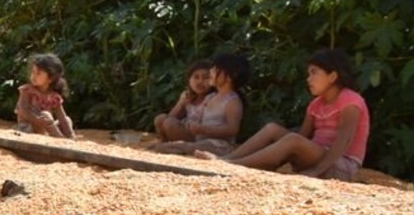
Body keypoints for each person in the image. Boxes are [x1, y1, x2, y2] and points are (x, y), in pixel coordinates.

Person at [197, 49, 369, 181]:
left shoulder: (350, 100)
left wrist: (316, 171)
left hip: (340, 165)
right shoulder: (316, 104)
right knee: (273, 129)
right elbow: (302, 137)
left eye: (314, 72)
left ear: (332, 76)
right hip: (316, 157)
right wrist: (282, 150)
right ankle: (228, 158)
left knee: (293, 140)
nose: (308, 79)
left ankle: (233, 164)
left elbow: (344, 141)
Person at [150, 54, 248, 155]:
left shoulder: (232, 101)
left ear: (231, 76)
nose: (211, 72)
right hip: (201, 140)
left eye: (214, 70)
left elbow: (232, 130)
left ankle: (179, 148)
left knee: (188, 147)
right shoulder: (211, 97)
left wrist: (203, 129)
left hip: (218, 144)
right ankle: (173, 146)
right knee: (181, 145)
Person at [14, 53, 74, 139]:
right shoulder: (27, 91)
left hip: (46, 129)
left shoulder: (54, 96)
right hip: (27, 128)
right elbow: (22, 110)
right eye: (33, 72)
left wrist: (70, 133)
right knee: (46, 115)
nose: (33, 76)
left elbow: (62, 117)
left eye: (38, 73)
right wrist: (37, 119)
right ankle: (60, 138)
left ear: (51, 78)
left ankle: (69, 138)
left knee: (67, 120)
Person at [153, 59, 213, 142]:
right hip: (184, 130)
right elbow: (171, 117)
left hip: (200, 135)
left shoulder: (212, 98)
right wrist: (181, 103)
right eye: (196, 77)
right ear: (189, 80)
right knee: (160, 119)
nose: (200, 81)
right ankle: (164, 142)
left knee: (169, 123)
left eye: (206, 78)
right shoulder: (187, 96)